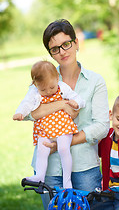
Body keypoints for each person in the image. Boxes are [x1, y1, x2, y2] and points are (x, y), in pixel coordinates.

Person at [22, 19, 110, 209]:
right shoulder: (44, 77)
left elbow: (102, 126)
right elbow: (30, 112)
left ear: (76, 43)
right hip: (49, 168)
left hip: (85, 167)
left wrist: (62, 143)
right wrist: (62, 104)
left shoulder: (95, 81)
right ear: (50, 53)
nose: (62, 51)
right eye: (55, 48)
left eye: (66, 44)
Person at [13, 60, 85, 188]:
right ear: (35, 85)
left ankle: (67, 181)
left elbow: (77, 97)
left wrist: (76, 103)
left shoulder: (62, 87)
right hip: (44, 129)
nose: (49, 92)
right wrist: (20, 113)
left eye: (52, 87)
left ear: (57, 78)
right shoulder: (34, 92)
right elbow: (26, 103)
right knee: (42, 149)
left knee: (64, 149)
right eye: (43, 89)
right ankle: (40, 176)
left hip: (63, 126)